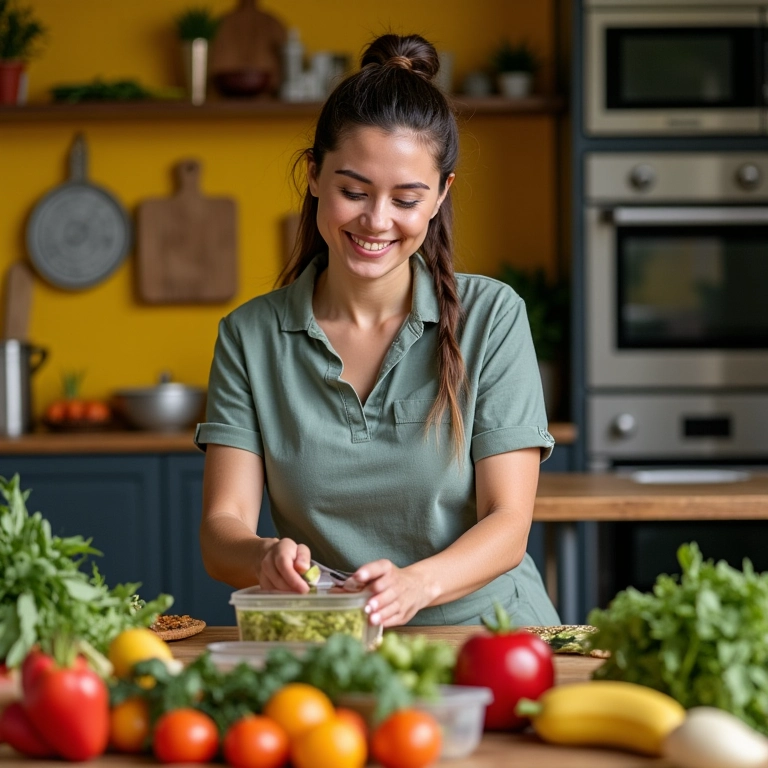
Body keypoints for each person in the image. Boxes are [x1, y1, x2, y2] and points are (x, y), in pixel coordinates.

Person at [195, 33, 561, 628]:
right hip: (336, 641)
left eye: (406, 199)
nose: (377, 221)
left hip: (490, 638)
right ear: (313, 175)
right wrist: (263, 556)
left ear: (441, 195)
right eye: (353, 191)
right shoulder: (249, 336)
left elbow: (508, 525)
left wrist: (416, 585)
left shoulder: (492, 316)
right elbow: (220, 531)